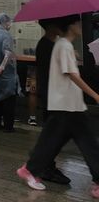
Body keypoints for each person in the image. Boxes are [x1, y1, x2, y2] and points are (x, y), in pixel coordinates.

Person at [17, 14, 99, 198]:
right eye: (76, 23)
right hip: (66, 105)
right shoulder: (63, 46)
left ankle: (29, 169)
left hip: (70, 104)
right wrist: (95, 95)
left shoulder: (63, 46)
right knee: (85, 143)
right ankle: (30, 169)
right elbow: (72, 75)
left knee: (56, 142)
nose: (79, 26)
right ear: (69, 26)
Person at [29, 20, 70, 184]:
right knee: (52, 133)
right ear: (52, 27)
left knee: (53, 132)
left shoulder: (49, 44)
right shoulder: (47, 46)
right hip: (51, 95)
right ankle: (42, 166)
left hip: (51, 93)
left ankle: (45, 165)